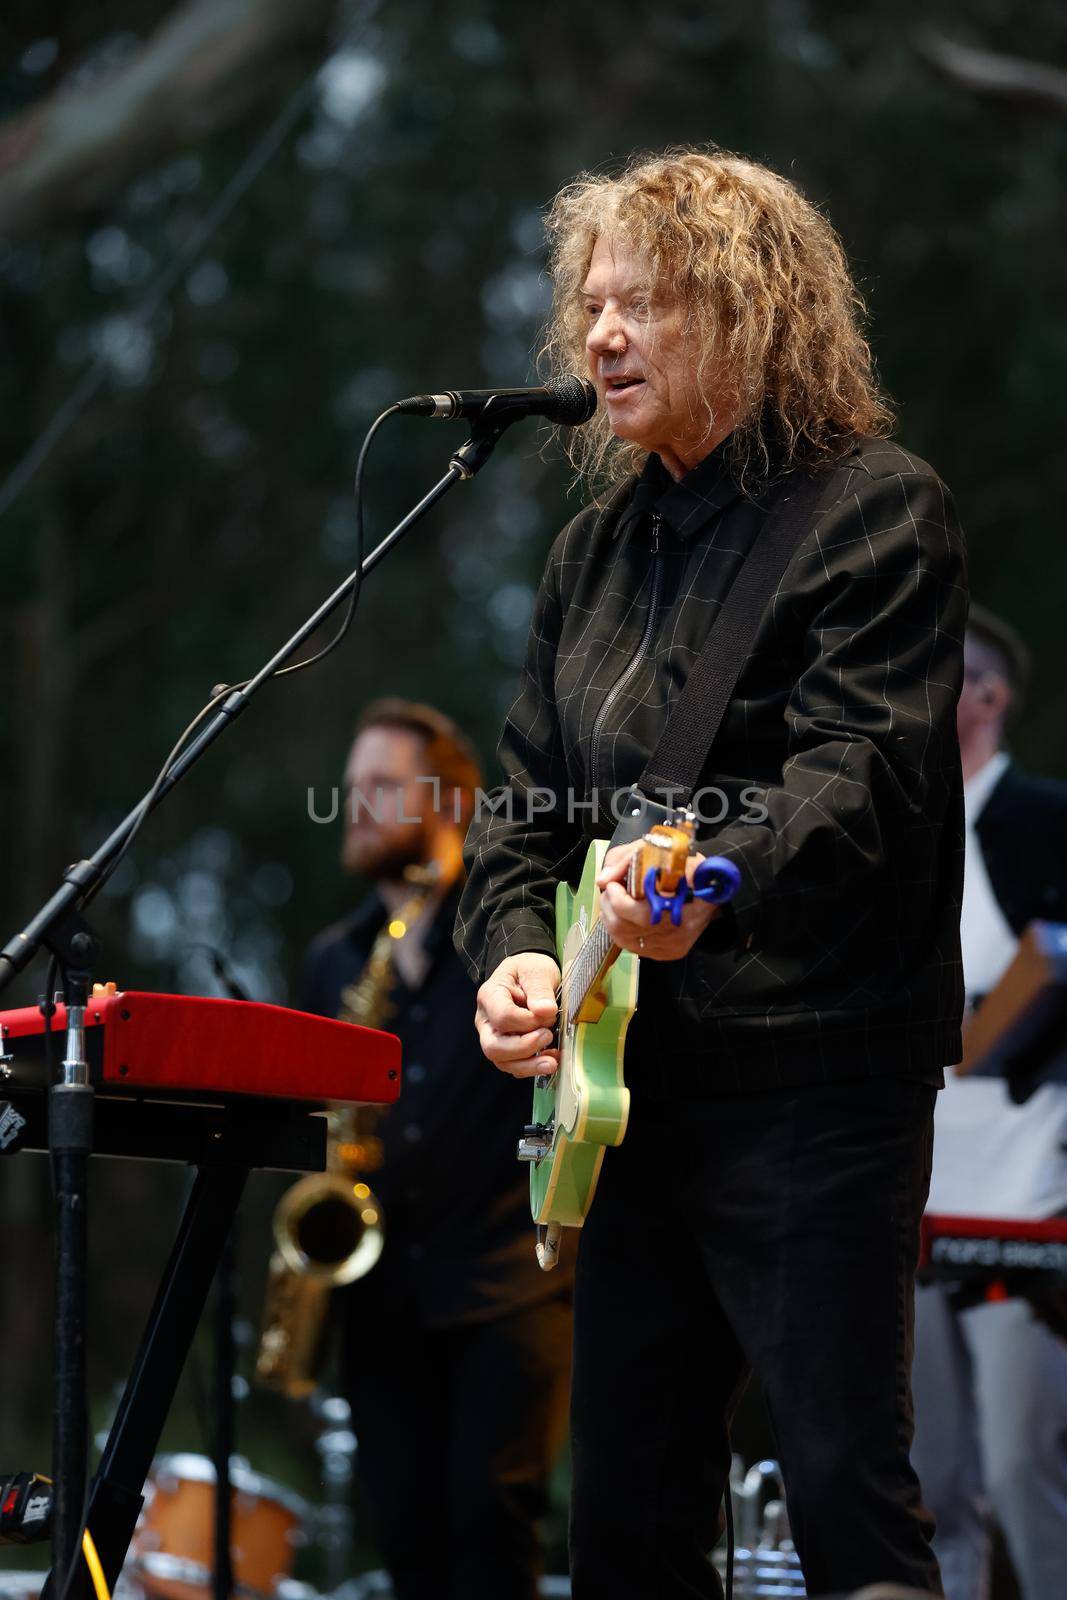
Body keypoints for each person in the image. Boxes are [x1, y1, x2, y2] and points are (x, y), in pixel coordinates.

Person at [454, 148, 969, 1599]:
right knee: (620, 1518)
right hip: (626, 1098)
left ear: (749, 313)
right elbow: (522, 808)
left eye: (646, 302)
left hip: (812, 1081)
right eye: (588, 306)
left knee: (837, 1490)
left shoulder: (873, 510)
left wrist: (707, 882)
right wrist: (509, 946)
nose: (598, 335)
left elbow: (855, 775)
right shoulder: (590, 551)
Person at [301, 699, 572, 1600]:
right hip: (381, 1305)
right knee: (408, 1541)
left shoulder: (514, 940)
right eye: (349, 790)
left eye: (381, 785)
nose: (357, 805)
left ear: (452, 801)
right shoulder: (332, 962)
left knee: (492, 1529)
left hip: (507, 1286)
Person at [910, 605, 1067, 1600]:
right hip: (906, 1188)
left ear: (986, 696)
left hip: (1026, 1194)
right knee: (928, 1479)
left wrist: (964, 1043)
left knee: (1020, 1465)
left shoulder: (1046, 818)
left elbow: (1051, 959)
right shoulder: (888, 826)